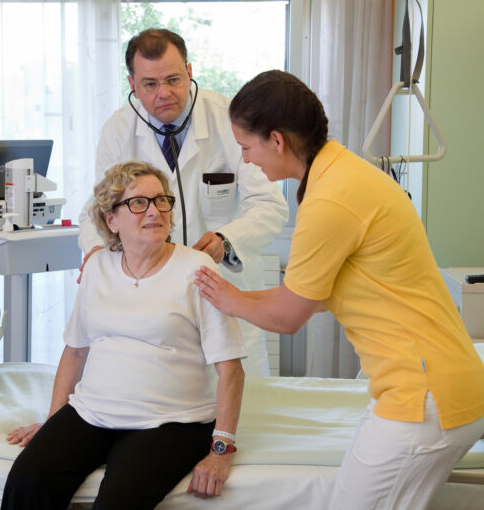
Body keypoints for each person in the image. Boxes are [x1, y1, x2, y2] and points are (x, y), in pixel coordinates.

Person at [194, 69, 484, 509]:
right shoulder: (342, 174)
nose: (246, 159)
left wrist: (227, 299)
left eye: (246, 147)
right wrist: (231, 299)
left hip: (422, 393)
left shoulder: (331, 199)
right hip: (438, 384)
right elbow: (305, 297)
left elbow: (288, 317)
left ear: (276, 140)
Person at [3, 162, 246, 509]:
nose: (154, 211)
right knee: (26, 482)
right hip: (92, 413)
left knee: (115, 504)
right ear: (111, 220)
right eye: (138, 203)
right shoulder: (98, 266)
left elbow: (231, 368)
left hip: (171, 422)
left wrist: (221, 449)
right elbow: (74, 353)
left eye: (161, 201)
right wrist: (53, 423)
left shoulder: (197, 269)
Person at [78, 28, 288, 376]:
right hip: (149, 301)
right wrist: (96, 254)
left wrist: (227, 240)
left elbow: (270, 203)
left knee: (240, 409)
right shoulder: (118, 130)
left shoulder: (229, 119)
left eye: (174, 79)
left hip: (219, 287)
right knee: (158, 405)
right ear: (132, 84)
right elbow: (96, 211)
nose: (164, 93)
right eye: (150, 84)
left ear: (190, 71)